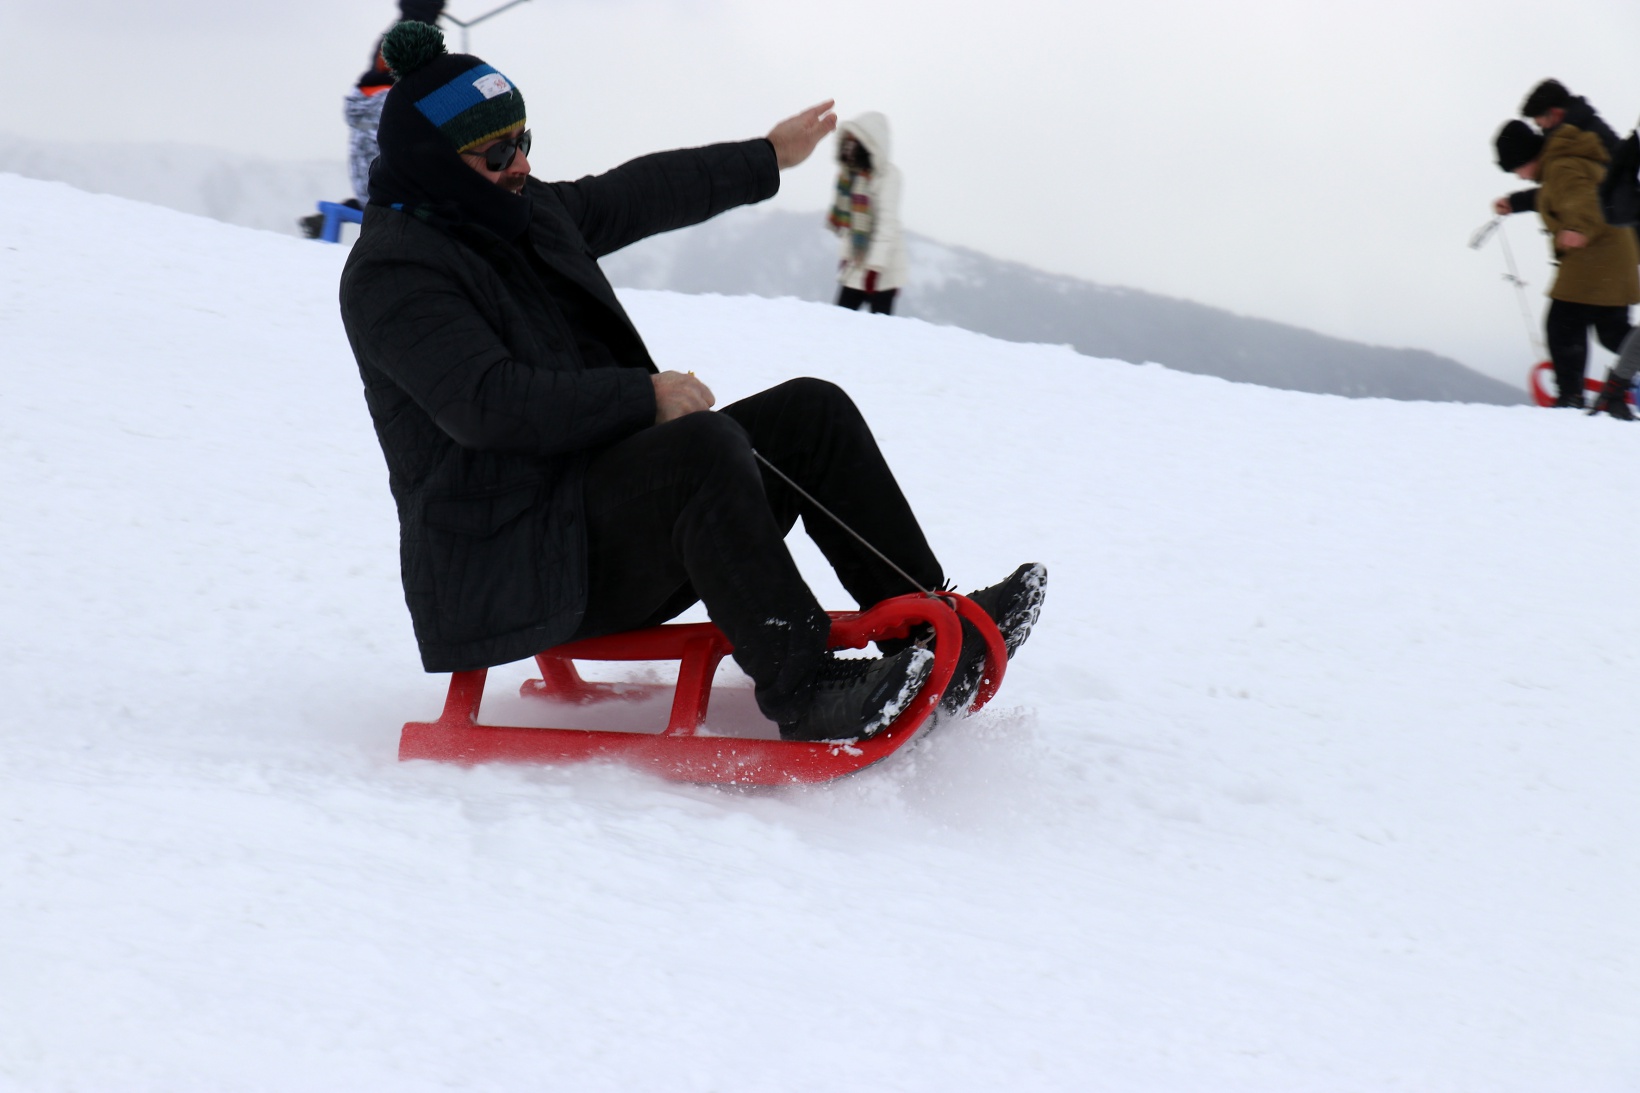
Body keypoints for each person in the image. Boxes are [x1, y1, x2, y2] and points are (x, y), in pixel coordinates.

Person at [338, 22, 1046, 742]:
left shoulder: (517, 211)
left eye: (526, 140)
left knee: (811, 412)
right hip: (511, 568)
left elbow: (635, 194)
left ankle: (926, 628)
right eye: (496, 151)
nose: (519, 162)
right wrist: (645, 398)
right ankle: (801, 686)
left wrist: (767, 156)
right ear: (433, 161)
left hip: (590, 518)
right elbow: (486, 405)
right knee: (702, 449)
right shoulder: (396, 272)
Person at [1494, 119, 1640, 407]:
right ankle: (1584, 391)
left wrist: (1578, 228)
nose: (1519, 176)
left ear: (1525, 158)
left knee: (1562, 323)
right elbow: (1553, 195)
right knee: (1612, 333)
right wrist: (1515, 203)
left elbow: (1584, 200)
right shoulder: (1562, 164)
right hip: (1615, 257)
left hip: (1595, 257)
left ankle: (1570, 397)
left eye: (1515, 168)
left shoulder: (1561, 167)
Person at [300, 2, 445, 239]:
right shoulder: (400, 101)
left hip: (368, 189)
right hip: (389, 196)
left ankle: (338, 213)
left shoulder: (374, 93)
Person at [1493, 79, 1622, 217]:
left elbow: (1566, 191)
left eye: (1541, 125)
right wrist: (1516, 203)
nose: (1542, 132)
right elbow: (1560, 190)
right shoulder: (1578, 136)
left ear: (1555, 113)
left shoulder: (1578, 141)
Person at [827, 112, 907, 315]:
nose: (849, 146)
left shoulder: (889, 177)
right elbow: (849, 225)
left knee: (879, 333)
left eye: (855, 141)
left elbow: (886, 227)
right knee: (838, 321)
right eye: (848, 141)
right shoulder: (851, 176)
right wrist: (846, 256)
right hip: (856, 267)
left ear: (870, 143)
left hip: (883, 273)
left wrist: (875, 268)